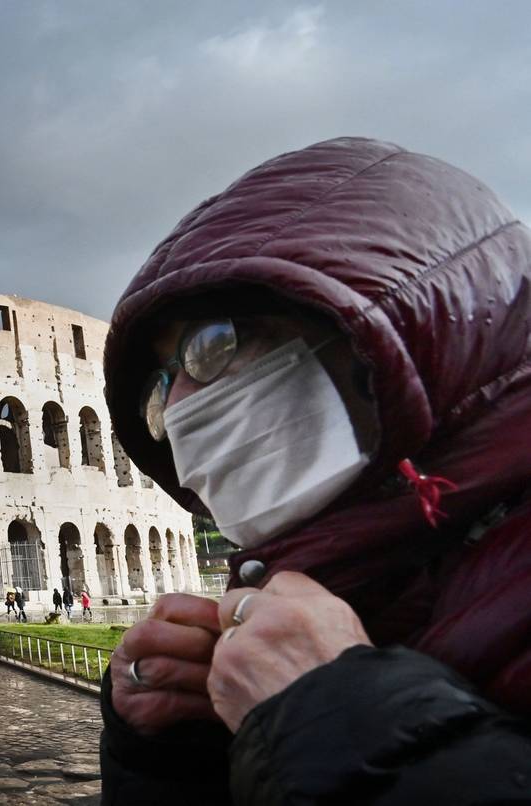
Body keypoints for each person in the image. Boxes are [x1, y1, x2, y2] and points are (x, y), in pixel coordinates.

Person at [98, 137, 531, 804]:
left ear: (386, 338)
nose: (180, 407)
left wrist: (337, 716)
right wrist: (179, 754)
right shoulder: (352, 581)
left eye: (213, 344)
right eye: (164, 382)